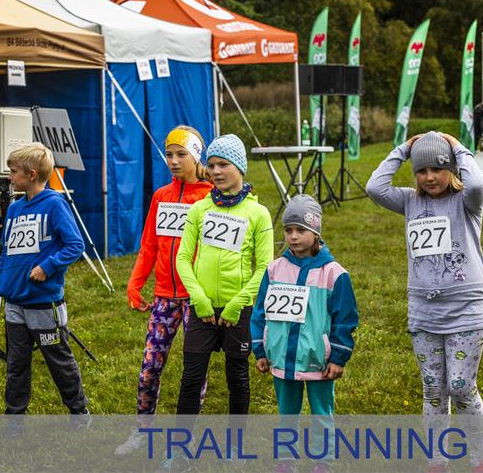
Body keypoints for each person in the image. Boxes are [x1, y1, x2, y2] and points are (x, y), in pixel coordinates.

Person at [366, 131, 483, 473]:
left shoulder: (467, 202)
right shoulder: (410, 201)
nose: (429, 177)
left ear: (451, 169)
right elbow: (374, 188)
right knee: (433, 388)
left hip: (466, 310)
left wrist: (458, 148)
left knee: (461, 387)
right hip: (424, 311)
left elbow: (478, 184)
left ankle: (480, 459)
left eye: (437, 168)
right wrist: (404, 149)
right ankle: (438, 460)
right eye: (421, 170)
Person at [116, 126, 212, 455]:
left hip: (196, 298)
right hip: (164, 297)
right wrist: (135, 282)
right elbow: (149, 245)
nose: (173, 160)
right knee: (149, 368)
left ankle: (188, 433)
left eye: (181, 154)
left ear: (196, 156)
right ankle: (142, 430)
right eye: (169, 154)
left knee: (194, 370)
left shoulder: (210, 197)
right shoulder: (161, 196)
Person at [251, 194, 358, 473]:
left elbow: (345, 319)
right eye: (288, 230)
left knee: (322, 413)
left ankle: (323, 461)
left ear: (316, 231)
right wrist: (260, 349)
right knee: (286, 413)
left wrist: (337, 357)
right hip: (281, 359)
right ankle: (286, 459)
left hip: (318, 361)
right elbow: (260, 311)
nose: (293, 237)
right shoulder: (274, 270)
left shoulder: (334, 274)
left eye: (301, 230)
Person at [175, 134, 274, 415]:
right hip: (202, 309)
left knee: (238, 380)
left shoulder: (258, 213)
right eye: (211, 165)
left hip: (237, 311)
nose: (216, 171)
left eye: (223, 165)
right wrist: (198, 297)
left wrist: (238, 303)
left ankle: (236, 439)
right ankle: (181, 441)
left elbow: (265, 267)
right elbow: (183, 258)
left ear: (239, 167)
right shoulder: (199, 209)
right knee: (190, 379)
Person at [0, 144, 88, 416]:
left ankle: (79, 412)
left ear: (32, 174)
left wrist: (48, 267)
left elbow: (75, 245)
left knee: (59, 361)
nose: (9, 177)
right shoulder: (14, 209)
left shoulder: (55, 204)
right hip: (14, 304)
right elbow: (6, 249)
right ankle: (15, 418)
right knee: (16, 364)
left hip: (44, 304)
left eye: (13, 172)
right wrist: (1, 278)